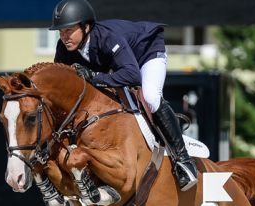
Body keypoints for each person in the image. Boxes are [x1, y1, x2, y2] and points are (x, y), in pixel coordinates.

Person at [50, 0, 198, 191]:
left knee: (151, 97)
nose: (64, 37)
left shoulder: (106, 38)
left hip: (146, 53)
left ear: (86, 27)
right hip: (119, 64)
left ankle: (183, 161)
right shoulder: (64, 49)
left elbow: (132, 75)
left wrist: (94, 77)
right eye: (61, 32)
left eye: (69, 30)